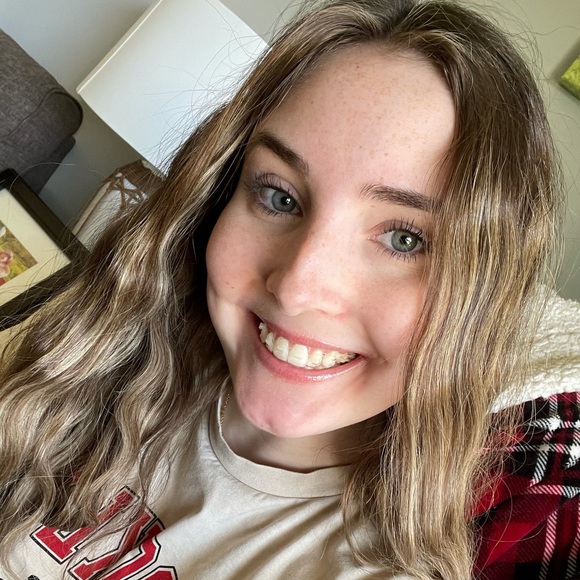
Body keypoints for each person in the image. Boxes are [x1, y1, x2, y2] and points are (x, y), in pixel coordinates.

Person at [1, 0, 579, 578]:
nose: (297, 288)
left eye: (405, 238)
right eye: (279, 196)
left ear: (482, 293)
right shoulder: (101, 356)